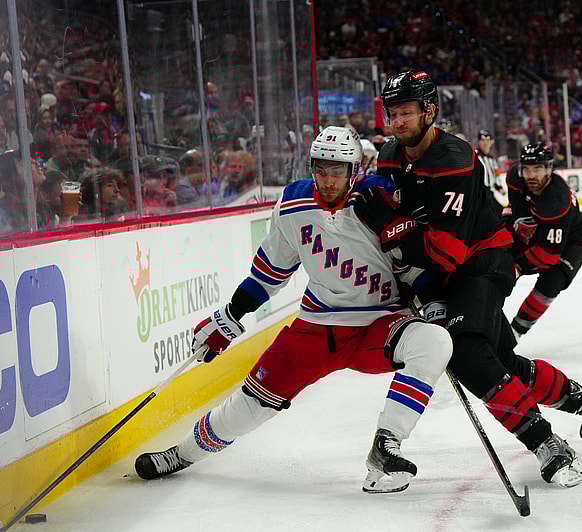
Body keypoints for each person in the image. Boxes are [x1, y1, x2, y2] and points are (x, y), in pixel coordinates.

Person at [135, 126, 453, 494]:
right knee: (247, 409)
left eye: (337, 171)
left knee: (434, 342)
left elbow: (412, 263)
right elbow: (270, 273)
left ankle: (386, 446)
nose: (328, 179)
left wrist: (432, 301)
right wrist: (233, 313)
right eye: (321, 169)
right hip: (315, 328)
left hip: (378, 323)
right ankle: (182, 454)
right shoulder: (293, 205)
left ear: (354, 170)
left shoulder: (377, 200)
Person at [355, 70, 582, 487]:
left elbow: (445, 252)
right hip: (447, 270)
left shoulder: (454, 159)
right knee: (500, 364)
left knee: (466, 353)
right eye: (391, 113)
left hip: (483, 262)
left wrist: (391, 231)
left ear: (430, 111)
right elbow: (400, 219)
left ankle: (547, 444)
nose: (397, 122)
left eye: (406, 112)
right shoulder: (393, 154)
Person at [504, 143, 582, 340]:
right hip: (536, 229)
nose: (531, 175)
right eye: (527, 169)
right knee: (496, 262)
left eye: (538, 169)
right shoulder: (515, 178)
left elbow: (547, 256)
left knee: (551, 283)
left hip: (570, 242)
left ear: (549, 169)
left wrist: (516, 267)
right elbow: (512, 208)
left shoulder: (556, 202)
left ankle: (514, 333)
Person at [476, 129, 506, 205]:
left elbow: (496, 174)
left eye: (488, 140)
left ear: (491, 142)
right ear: (478, 142)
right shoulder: (475, 157)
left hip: (489, 193)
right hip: (479, 194)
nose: (485, 143)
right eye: (482, 140)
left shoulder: (492, 160)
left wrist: (499, 187)